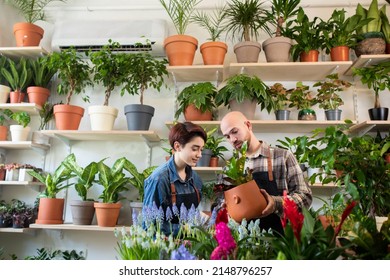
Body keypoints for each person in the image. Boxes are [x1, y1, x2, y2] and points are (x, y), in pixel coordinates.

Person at [219, 111, 312, 234]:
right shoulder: (230, 168)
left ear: (248, 125)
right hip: (245, 244)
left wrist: (275, 204)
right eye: (227, 136)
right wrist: (227, 210)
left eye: (235, 131)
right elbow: (218, 205)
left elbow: (305, 197)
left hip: (282, 241)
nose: (232, 140)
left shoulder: (283, 157)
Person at [143, 122, 207, 236]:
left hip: (190, 247)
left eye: (201, 149)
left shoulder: (196, 179)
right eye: (195, 149)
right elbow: (149, 226)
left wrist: (200, 218)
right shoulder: (159, 180)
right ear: (177, 146)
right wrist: (184, 228)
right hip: (164, 248)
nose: (199, 155)